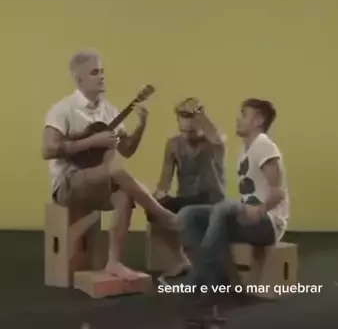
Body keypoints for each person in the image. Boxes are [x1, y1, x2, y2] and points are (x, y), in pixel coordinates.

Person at [41, 49, 177, 281]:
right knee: (115, 170)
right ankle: (161, 214)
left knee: (124, 195)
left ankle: (114, 262)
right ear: (79, 79)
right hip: (68, 184)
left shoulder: (109, 110)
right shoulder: (63, 110)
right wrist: (91, 142)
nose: (102, 76)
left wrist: (142, 124)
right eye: (95, 72)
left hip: (99, 183)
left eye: (102, 71)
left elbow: (127, 150)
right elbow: (47, 150)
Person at [178, 98, 289, 307]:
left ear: (258, 120)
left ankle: (207, 278)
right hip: (249, 218)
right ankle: (212, 277)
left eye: (244, 114)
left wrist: (261, 209)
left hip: (270, 223)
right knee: (189, 214)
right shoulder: (246, 149)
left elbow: (278, 192)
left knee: (223, 208)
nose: (238, 119)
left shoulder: (264, 145)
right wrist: (200, 114)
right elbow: (214, 136)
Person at [148, 97, 227, 278]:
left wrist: (200, 113)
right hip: (186, 199)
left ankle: (201, 260)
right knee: (154, 207)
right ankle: (181, 259)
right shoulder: (173, 144)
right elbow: (165, 181)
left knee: (189, 214)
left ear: (200, 123)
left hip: (211, 200)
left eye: (191, 131)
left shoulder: (215, 142)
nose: (187, 135)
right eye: (183, 130)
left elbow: (215, 138)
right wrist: (154, 201)